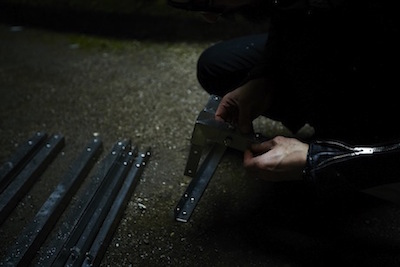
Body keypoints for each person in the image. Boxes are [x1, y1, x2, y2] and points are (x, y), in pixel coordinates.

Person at [168, 0, 400, 194]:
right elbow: (291, 17)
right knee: (217, 68)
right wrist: (266, 77)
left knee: (354, 130)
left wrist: (318, 160)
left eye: (209, 2)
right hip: (361, 39)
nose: (209, 17)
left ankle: (357, 137)